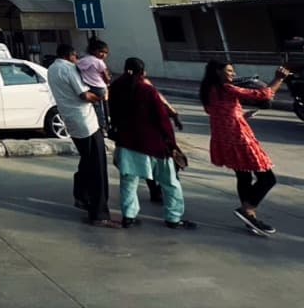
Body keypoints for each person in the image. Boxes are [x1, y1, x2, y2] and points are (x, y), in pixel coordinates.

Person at [199, 60, 292, 236]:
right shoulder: (225, 88)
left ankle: (250, 218)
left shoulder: (209, 90)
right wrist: (279, 78)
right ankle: (247, 211)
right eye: (229, 71)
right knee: (268, 178)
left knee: (243, 176)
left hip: (225, 139)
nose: (233, 74)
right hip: (239, 139)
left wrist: (240, 115)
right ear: (218, 71)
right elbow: (264, 95)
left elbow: (218, 112)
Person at [109, 57, 195, 230]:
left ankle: (129, 216)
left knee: (129, 182)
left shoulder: (116, 87)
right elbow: (162, 120)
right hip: (155, 144)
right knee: (170, 183)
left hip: (128, 142)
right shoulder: (147, 90)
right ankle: (173, 218)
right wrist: (172, 144)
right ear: (143, 71)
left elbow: (114, 115)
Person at [47, 44, 117, 227]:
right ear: (71, 55)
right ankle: (99, 214)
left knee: (87, 160)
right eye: (76, 57)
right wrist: (101, 97)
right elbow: (84, 95)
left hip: (71, 121)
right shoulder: (69, 69)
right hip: (86, 122)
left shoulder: (52, 69)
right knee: (97, 168)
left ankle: (81, 195)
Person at [77, 39, 111, 133]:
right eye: (101, 52)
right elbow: (105, 76)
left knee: (95, 107)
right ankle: (103, 126)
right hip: (99, 88)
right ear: (93, 50)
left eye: (105, 53)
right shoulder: (99, 62)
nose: (103, 55)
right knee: (102, 108)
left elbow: (78, 69)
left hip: (88, 87)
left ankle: (98, 125)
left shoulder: (82, 60)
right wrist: (108, 81)